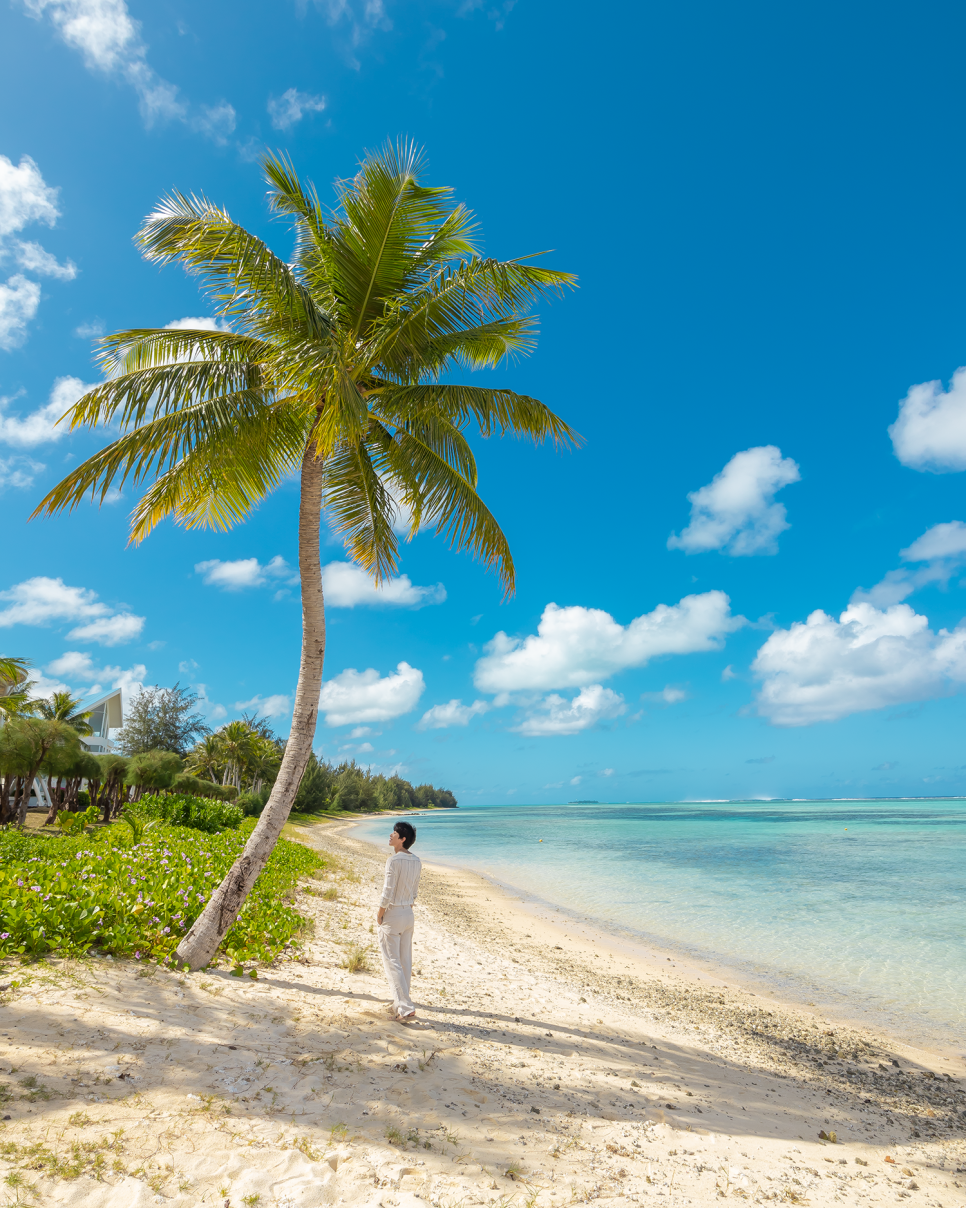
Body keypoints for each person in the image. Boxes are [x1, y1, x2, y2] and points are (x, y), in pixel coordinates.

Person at [377, 821, 421, 1021]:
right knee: (404, 961)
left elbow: (388, 890)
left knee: (392, 961)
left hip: (394, 913)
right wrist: (407, 908)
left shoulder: (393, 861)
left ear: (402, 839)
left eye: (394, 833)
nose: (390, 835)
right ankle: (400, 1004)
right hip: (408, 913)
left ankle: (404, 1007)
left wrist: (380, 911)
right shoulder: (417, 861)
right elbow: (414, 891)